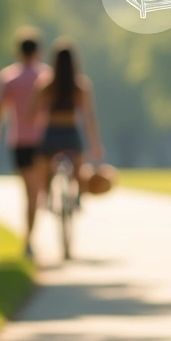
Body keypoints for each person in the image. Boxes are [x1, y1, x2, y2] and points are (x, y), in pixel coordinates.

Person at [0, 26, 52, 259]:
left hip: (19, 141)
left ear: (18, 52)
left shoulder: (9, 77)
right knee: (38, 192)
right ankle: (31, 236)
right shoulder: (46, 76)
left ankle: (29, 239)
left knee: (29, 193)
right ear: (38, 51)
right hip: (43, 139)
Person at [29, 37, 104, 230]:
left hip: (51, 132)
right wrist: (95, 144)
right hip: (71, 133)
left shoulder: (46, 85)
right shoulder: (80, 86)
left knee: (45, 171)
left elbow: (32, 112)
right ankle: (78, 199)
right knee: (79, 170)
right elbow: (89, 118)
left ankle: (46, 199)